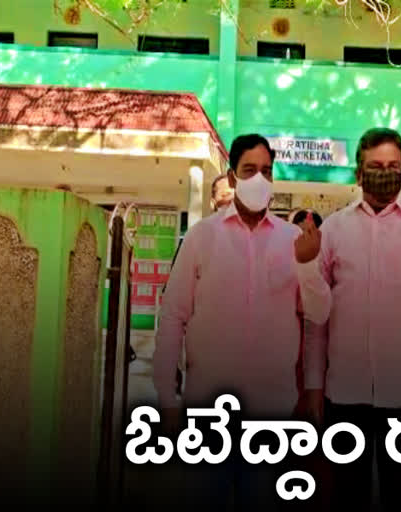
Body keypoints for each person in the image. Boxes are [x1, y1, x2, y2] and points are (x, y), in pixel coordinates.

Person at [293, 127, 401, 511]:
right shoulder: (334, 229)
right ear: (359, 173)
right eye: (376, 166)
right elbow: (317, 317)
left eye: (393, 165)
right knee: (346, 499)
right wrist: (314, 384)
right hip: (345, 394)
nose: (385, 172)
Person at [153, 133, 303, 510]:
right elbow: (173, 316)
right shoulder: (202, 237)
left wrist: (310, 391)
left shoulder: (294, 240)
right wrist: (167, 399)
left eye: (267, 171)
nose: (259, 179)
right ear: (232, 177)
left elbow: (313, 319)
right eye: (249, 170)